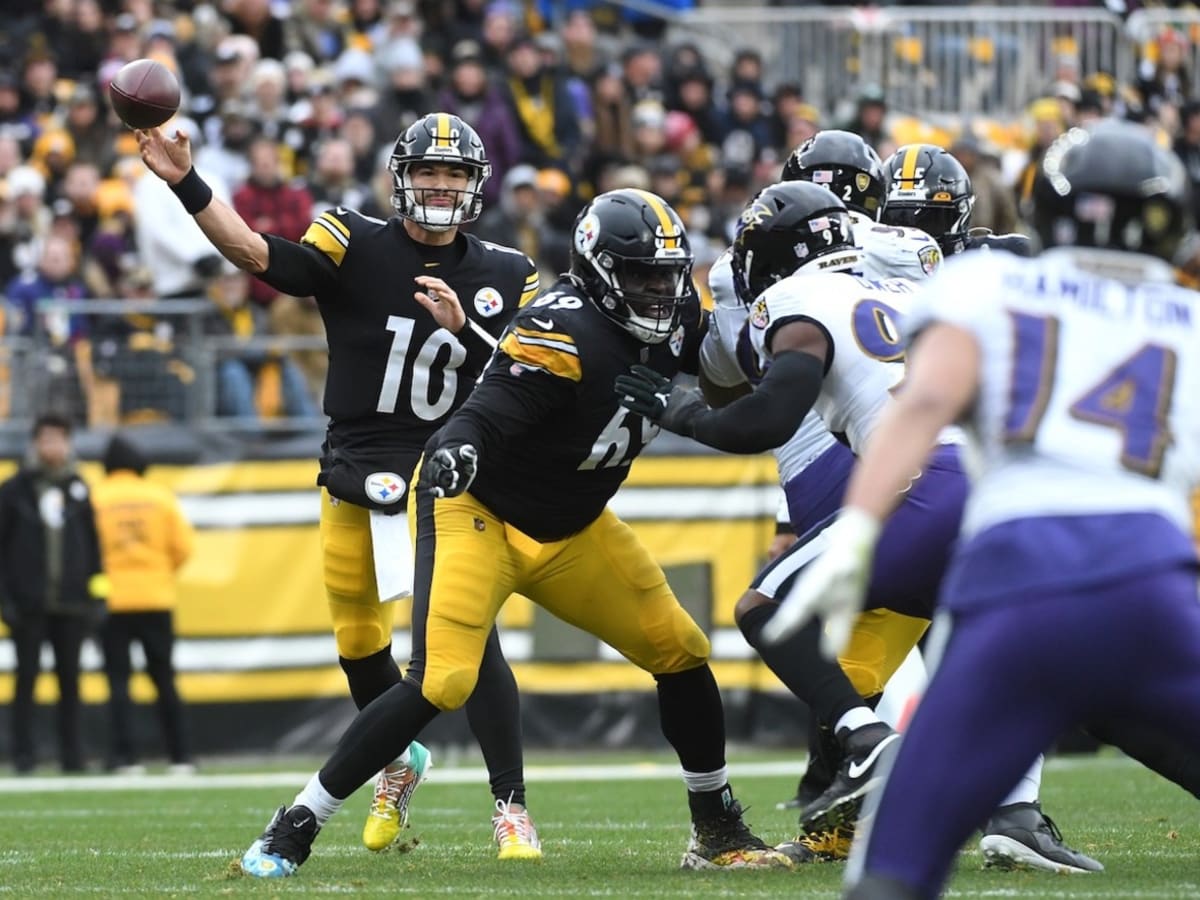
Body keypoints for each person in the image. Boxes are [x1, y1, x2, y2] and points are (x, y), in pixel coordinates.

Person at [237, 189, 791, 878]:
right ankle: (294, 825)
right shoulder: (561, 330)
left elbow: (735, 395)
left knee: (681, 650)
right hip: (481, 512)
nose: (657, 288)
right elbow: (484, 411)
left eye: (666, 272)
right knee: (441, 680)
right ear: (596, 270)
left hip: (573, 528)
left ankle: (715, 826)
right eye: (641, 272)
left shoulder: (681, 315)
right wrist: (456, 448)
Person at [771, 119, 1200, 900]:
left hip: (1014, 591)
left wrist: (861, 530)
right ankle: (1020, 817)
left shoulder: (981, 284)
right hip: (1152, 588)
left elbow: (923, 404)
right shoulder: (1187, 318)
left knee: (893, 871)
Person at [619, 180, 1099, 874]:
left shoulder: (796, 300)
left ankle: (867, 738)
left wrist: (677, 409)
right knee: (1009, 661)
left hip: (932, 485)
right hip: (1006, 486)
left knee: (765, 607)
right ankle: (998, 811)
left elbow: (762, 419)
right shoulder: (910, 292)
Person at [135, 112, 542, 858]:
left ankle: (510, 804)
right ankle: (395, 763)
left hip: (449, 471)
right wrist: (187, 183)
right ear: (401, 178)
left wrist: (470, 335)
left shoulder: (508, 272)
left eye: (455, 174)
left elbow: (532, 379)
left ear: (476, 185)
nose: (441, 185)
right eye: (428, 171)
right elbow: (256, 254)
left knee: (467, 640)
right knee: (359, 639)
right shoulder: (350, 239)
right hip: (356, 463)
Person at [700, 130, 940, 858]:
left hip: (848, 463)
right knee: (863, 652)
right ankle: (841, 809)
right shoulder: (903, 249)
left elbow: (736, 382)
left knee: (815, 632)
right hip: (923, 448)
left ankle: (868, 769)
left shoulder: (763, 275)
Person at [0, 412, 106, 774]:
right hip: (29, 603)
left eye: (59, 439)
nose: (53, 446)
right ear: (34, 444)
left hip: (71, 604)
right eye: (46, 439)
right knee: (26, 680)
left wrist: (97, 596)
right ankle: (23, 755)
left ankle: (72, 756)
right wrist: (6, 600)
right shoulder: (14, 490)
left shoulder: (79, 487)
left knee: (70, 684)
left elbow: (93, 549)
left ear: (69, 443)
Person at [92, 433, 196, 774]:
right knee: (164, 680)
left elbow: (85, 552)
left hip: (112, 601)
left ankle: (125, 758)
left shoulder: (96, 498)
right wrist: (160, 573)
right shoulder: (159, 497)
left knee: (119, 682)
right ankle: (180, 757)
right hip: (156, 598)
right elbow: (183, 547)